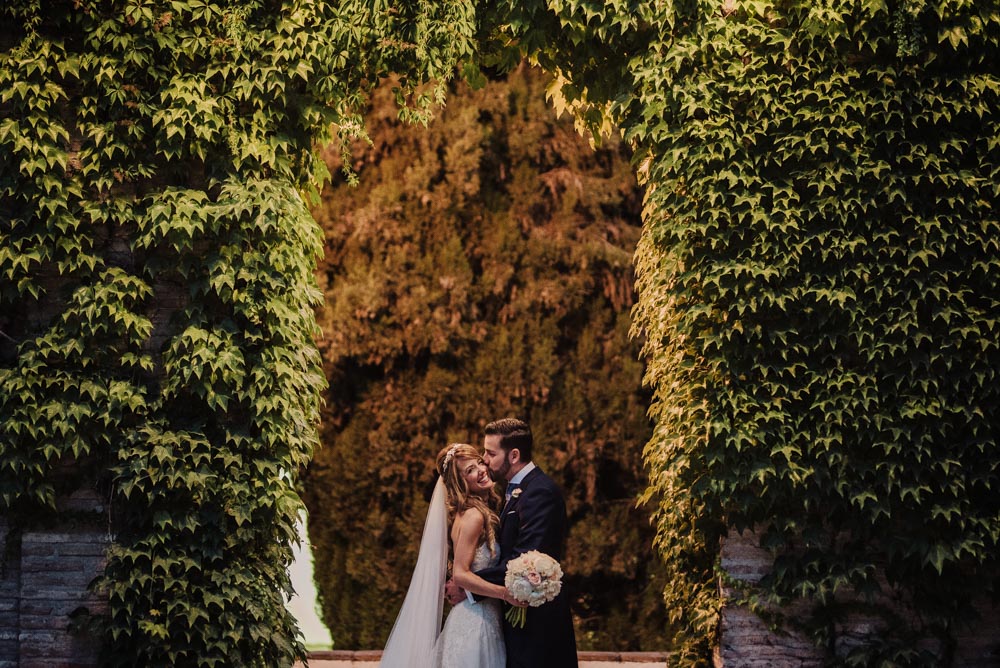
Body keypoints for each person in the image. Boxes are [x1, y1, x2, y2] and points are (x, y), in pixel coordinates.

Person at [448, 418, 578, 668]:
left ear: (514, 455)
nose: (484, 459)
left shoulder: (540, 492)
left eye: (490, 453)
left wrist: (467, 586)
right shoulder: (510, 492)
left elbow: (523, 560)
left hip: (538, 628)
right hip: (511, 621)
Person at [381, 443, 521, 668]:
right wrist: (505, 593)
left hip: (484, 619)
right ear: (460, 483)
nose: (481, 470)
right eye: (470, 470)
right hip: (475, 625)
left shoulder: (480, 512)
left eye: (479, 462)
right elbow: (461, 575)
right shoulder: (473, 517)